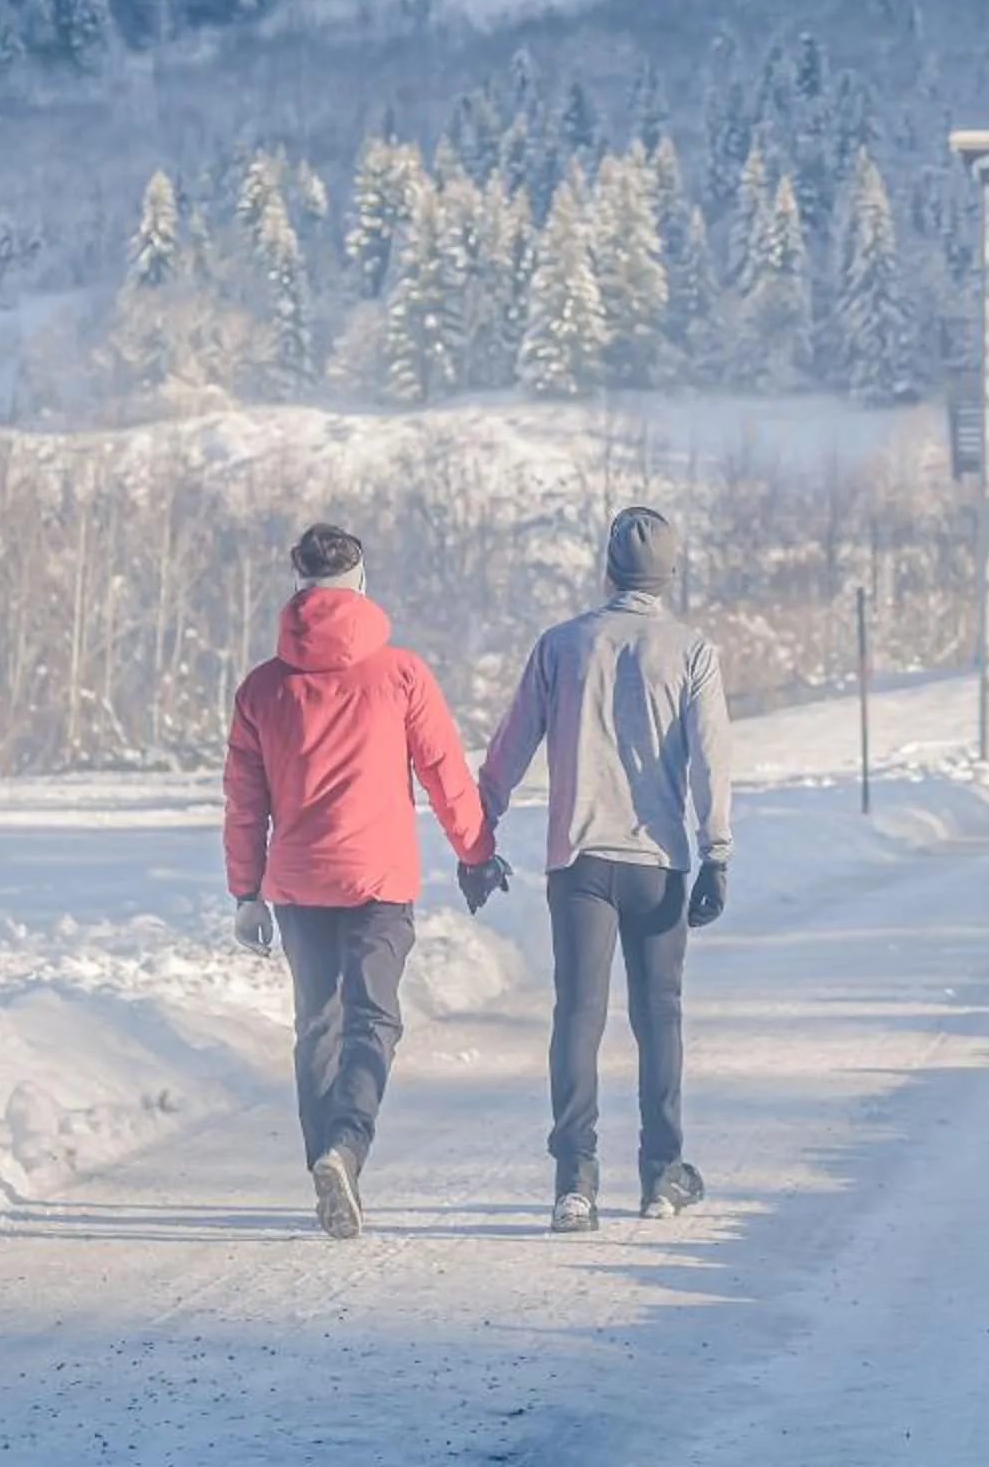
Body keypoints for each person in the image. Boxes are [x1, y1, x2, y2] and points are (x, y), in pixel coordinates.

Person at [224, 523, 497, 1241]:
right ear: (361, 586)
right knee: (373, 1019)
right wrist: (475, 852)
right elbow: (443, 770)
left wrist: (246, 893)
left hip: (296, 882)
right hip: (378, 878)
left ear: (299, 587)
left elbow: (245, 803)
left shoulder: (262, 688)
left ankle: (326, 1160)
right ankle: (345, 1149)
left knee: (316, 1022)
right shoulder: (400, 673)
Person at [479, 506, 733, 1234]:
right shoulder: (692, 651)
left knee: (578, 1015)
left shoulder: (561, 646)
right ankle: (661, 1176)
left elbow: (509, 748)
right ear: (669, 574)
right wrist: (716, 851)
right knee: (659, 1017)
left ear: (608, 570)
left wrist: (479, 829)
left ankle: (575, 1183)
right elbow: (712, 757)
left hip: (579, 861)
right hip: (658, 863)